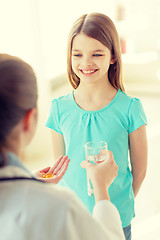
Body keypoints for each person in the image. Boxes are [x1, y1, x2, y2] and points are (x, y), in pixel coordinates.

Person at [45, 12, 148, 240]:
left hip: (116, 219)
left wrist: (118, 206)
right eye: (77, 54)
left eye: (97, 54)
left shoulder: (130, 108)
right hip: (74, 218)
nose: (85, 63)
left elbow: (139, 169)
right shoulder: (59, 108)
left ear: (113, 56)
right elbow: (59, 171)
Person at [0, 54, 125, 240]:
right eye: (78, 54)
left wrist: (29, 181)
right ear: (28, 120)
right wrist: (101, 187)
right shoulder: (60, 208)